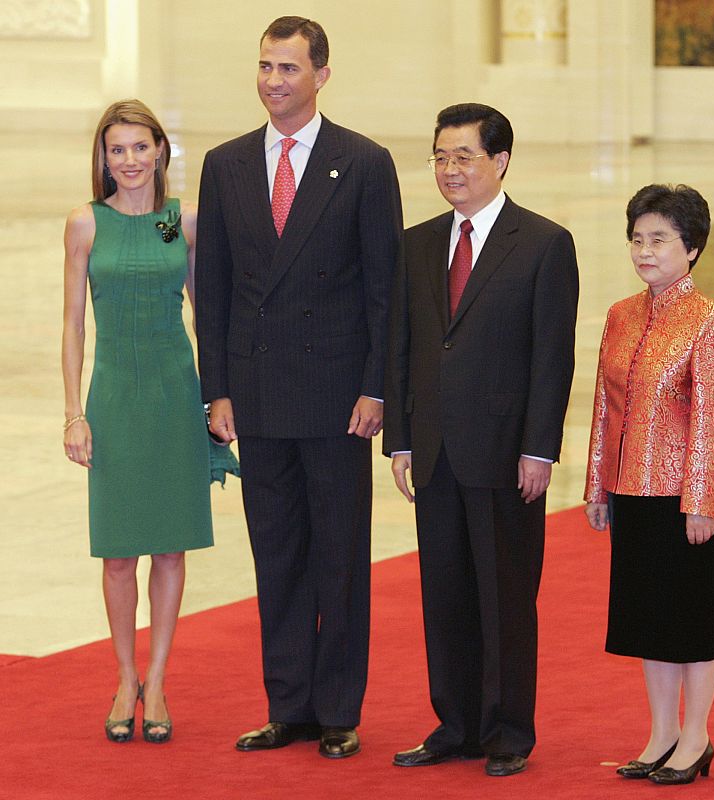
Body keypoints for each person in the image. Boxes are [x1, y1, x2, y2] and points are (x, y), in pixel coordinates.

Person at [195, 16, 402, 759]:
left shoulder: (365, 162)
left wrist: (378, 386)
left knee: (340, 556)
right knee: (276, 553)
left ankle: (339, 708)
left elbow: (386, 289)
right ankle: (290, 705)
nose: (274, 81)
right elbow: (212, 287)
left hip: (338, 398)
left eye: (288, 68)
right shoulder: (226, 164)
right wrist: (214, 389)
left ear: (321, 74)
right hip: (257, 395)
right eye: (265, 67)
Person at [384, 103, 579, 777]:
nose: (449, 170)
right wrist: (401, 440)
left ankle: (506, 731)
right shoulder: (416, 242)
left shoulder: (544, 243)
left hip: (505, 453)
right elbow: (404, 348)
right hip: (434, 449)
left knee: (504, 596)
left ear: (500, 162)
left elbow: (552, 357)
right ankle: (456, 723)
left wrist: (540, 448)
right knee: (445, 593)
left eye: (463, 157)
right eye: (440, 157)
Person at [62, 99, 215, 744]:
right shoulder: (84, 224)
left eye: (139, 147)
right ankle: (126, 676)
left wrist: (219, 400)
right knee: (120, 549)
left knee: (170, 545)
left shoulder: (182, 223)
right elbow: (71, 323)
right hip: (115, 398)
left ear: (160, 151)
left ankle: (158, 677)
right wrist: (73, 412)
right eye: (116, 149)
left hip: (176, 395)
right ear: (104, 157)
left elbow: (208, 315)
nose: (128, 160)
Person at [584, 184, 714, 785]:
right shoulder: (622, 315)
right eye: (637, 239)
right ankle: (661, 733)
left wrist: (703, 501)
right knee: (648, 616)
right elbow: (606, 407)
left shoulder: (710, 322)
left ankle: (696, 736)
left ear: (692, 249)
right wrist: (599, 486)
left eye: (660, 240)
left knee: (690, 619)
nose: (644, 251)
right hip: (633, 491)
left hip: (685, 499)